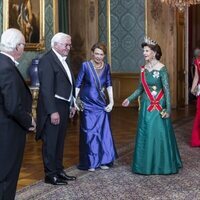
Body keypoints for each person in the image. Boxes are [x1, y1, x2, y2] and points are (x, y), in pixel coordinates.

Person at [122, 37, 182, 175]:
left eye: (147, 51)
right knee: (146, 133)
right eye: (143, 51)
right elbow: (140, 89)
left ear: (154, 52)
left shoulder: (162, 68)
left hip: (159, 106)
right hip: (146, 106)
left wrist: (168, 109)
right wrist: (129, 99)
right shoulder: (143, 69)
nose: (144, 53)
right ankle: (145, 165)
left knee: (159, 133)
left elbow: (166, 89)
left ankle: (163, 165)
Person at [36, 32, 76, 185]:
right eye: (66, 44)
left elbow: (68, 84)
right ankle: (50, 174)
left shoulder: (64, 60)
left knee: (59, 141)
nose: (69, 47)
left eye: (69, 44)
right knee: (51, 142)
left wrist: (72, 103)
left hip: (64, 105)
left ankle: (59, 170)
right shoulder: (47, 61)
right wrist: (52, 111)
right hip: (52, 107)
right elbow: (46, 89)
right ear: (55, 45)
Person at [0, 28, 36, 200]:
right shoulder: (6, 68)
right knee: (7, 177)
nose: (24, 48)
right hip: (8, 132)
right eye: (23, 44)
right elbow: (13, 106)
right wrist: (29, 120)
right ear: (17, 47)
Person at [75, 42, 118, 172]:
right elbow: (78, 84)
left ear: (104, 55)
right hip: (87, 103)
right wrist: (75, 101)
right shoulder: (86, 66)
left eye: (101, 54)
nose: (98, 56)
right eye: (96, 53)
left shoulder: (106, 67)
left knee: (103, 132)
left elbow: (109, 84)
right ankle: (91, 162)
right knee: (89, 133)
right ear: (92, 53)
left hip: (101, 104)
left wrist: (111, 102)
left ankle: (104, 160)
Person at [190, 48, 200, 147]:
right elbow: (197, 76)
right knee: (199, 114)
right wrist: (193, 88)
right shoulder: (197, 61)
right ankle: (197, 140)